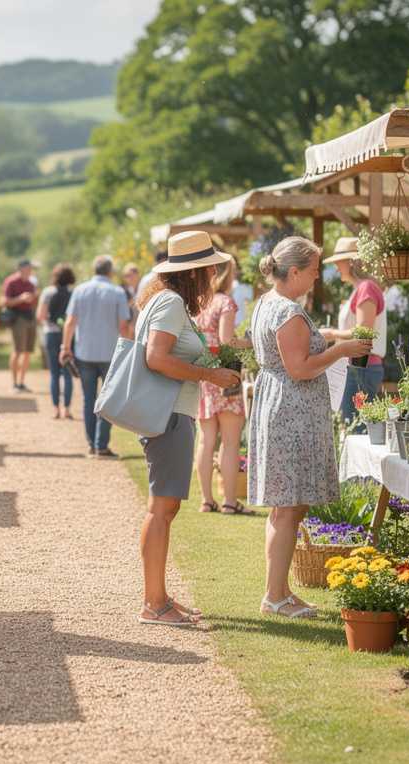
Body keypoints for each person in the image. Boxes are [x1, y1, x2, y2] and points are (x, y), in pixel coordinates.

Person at [247, 236, 371, 619]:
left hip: (280, 405)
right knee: (288, 507)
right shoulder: (287, 310)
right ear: (295, 271)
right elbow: (299, 367)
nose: (317, 277)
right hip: (292, 412)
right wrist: (341, 350)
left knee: (287, 506)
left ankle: (280, 591)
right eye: (314, 270)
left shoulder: (267, 303)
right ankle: (274, 596)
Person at [134, 231, 241, 626]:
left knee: (164, 508)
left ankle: (159, 598)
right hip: (169, 414)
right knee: (162, 509)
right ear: (196, 271)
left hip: (171, 413)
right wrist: (208, 374)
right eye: (210, 266)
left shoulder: (163, 300)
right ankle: (153, 605)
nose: (214, 273)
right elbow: (156, 357)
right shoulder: (172, 302)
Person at [60, 255, 132, 458]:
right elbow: (124, 326)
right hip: (110, 354)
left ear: (93, 271)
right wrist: (130, 348)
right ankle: (101, 444)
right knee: (108, 400)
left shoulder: (80, 290)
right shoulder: (117, 292)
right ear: (110, 272)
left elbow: (70, 321)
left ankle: (92, 443)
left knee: (88, 398)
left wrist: (65, 347)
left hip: (85, 353)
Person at [194, 258, 247, 515]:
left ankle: (206, 500)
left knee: (205, 441)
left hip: (203, 375)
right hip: (225, 375)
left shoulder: (198, 303)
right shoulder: (226, 302)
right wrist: (249, 342)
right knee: (230, 441)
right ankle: (229, 501)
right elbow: (227, 342)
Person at [319, 236, 388, 432]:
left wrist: (332, 333)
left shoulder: (366, 288)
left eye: (338, 262)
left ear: (351, 262)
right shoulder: (362, 288)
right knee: (351, 426)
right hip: (360, 368)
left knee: (355, 429)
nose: (335, 267)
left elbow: (363, 331)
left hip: (362, 368)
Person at [38, 263, 77, 420]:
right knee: (67, 372)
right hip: (68, 335)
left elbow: (40, 315)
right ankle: (67, 408)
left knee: (54, 373)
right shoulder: (73, 293)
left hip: (51, 334)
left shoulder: (48, 292)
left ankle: (55, 408)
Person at [1, 258, 39, 393]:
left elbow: (34, 300)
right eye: (28, 268)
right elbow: (4, 300)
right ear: (21, 268)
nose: (30, 271)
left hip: (30, 317)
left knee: (28, 351)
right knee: (18, 351)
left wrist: (31, 300)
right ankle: (14, 383)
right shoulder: (11, 281)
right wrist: (21, 298)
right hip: (18, 318)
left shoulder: (31, 283)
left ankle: (21, 383)